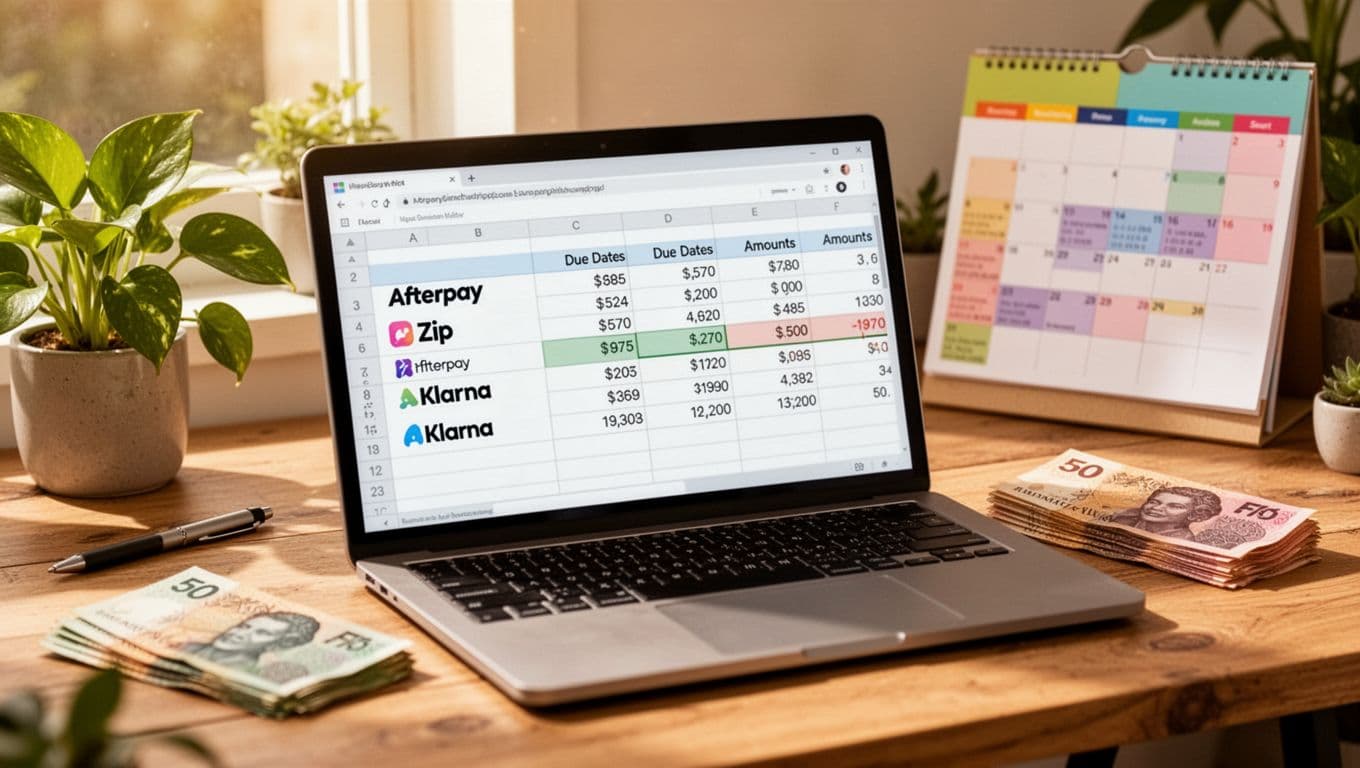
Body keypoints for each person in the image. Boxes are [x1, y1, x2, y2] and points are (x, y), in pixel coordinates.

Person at [182, 612, 320, 671]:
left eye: (261, 633)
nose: (241, 634)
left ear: (279, 643)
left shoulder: (242, 670)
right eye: (245, 626)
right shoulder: (187, 647)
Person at [1106, 486, 1221, 541]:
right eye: (1153, 502)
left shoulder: (1182, 540)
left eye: (1174, 506)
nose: (1156, 508)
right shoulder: (1122, 518)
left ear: (1195, 515)